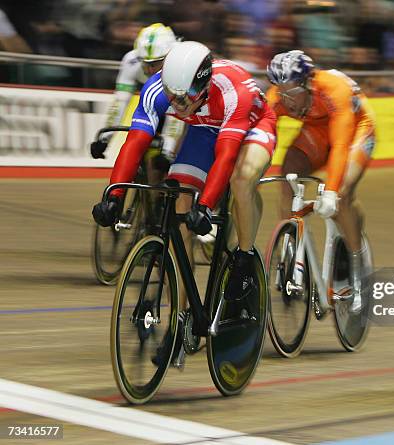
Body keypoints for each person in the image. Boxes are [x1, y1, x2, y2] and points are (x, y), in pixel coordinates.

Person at [92, 41, 277, 365]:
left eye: (184, 98)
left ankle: (245, 258)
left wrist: (205, 206)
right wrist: (114, 195)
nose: (178, 104)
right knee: (178, 205)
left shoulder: (233, 89)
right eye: (173, 97)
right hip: (205, 131)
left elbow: (228, 154)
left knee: (241, 179)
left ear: (203, 83)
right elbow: (136, 143)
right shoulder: (156, 89)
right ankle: (185, 317)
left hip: (250, 127)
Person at [265, 50, 376, 312]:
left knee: (342, 195)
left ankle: (357, 264)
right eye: (281, 92)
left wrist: (331, 192)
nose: (286, 101)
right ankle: (290, 252)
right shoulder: (276, 98)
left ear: (308, 84)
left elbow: (339, 146)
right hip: (317, 131)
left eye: (291, 93)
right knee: (287, 176)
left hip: (356, 129)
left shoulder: (333, 90)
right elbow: (265, 137)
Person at [90, 23, 183, 183]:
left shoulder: (180, 61)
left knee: (163, 164)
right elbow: (120, 102)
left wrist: (168, 151)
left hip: (182, 107)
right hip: (155, 103)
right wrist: (105, 138)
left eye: (155, 63)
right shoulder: (131, 61)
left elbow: (178, 114)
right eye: (145, 63)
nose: (149, 69)